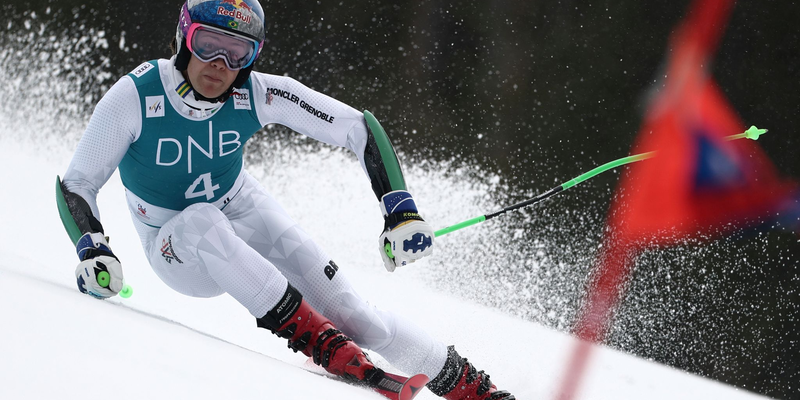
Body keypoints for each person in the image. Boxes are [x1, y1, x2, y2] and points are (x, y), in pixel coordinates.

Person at [56, 1, 514, 399]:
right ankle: (323, 344)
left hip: (238, 206)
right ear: (182, 38)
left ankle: (473, 389)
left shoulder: (256, 93)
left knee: (356, 315)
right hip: (174, 247)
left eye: (237, 52)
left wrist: (399, 208)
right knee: (200, 219)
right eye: (207, 44)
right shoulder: (136, 96)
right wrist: (92, 248)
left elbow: (358, 126)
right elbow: (77, 183)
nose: (219, 63)